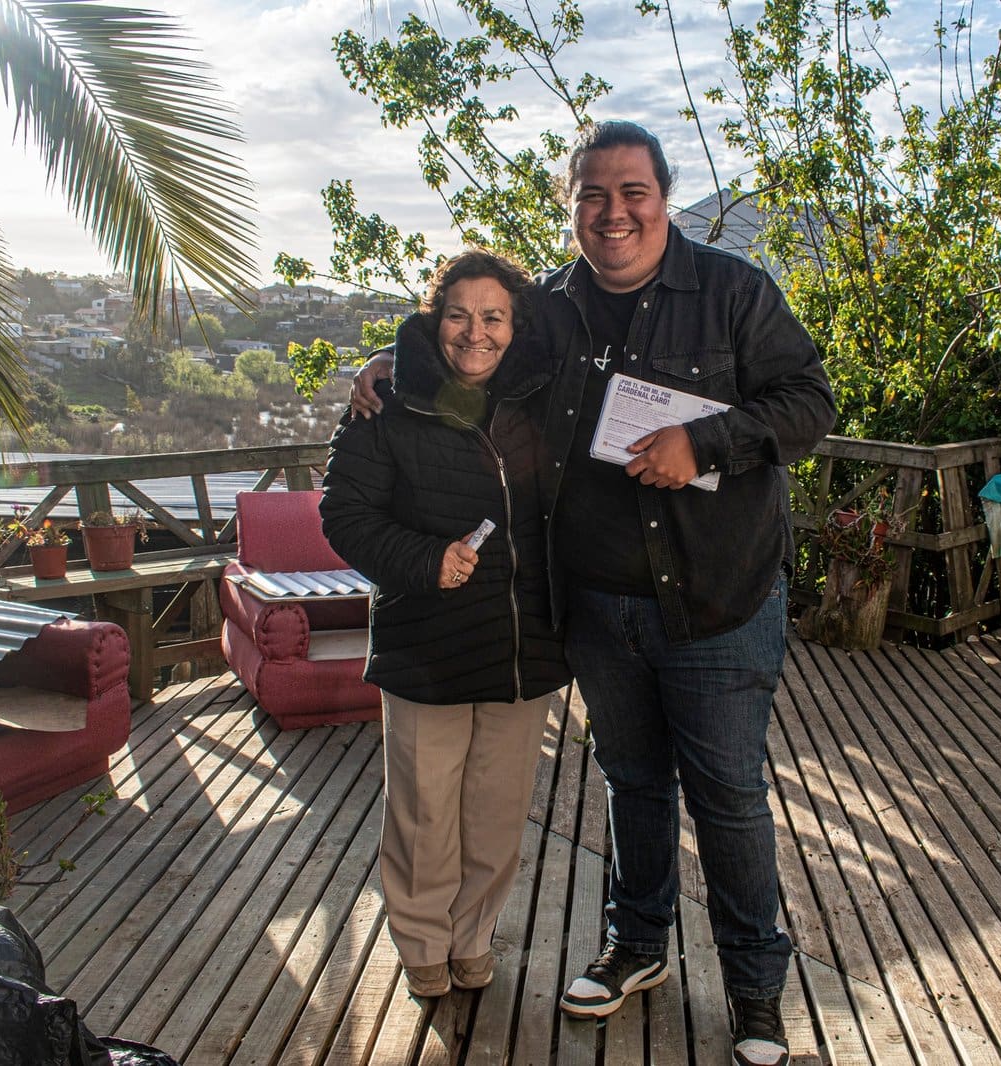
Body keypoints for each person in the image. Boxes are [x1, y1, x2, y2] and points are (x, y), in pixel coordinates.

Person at [352, 121, 835, 1066]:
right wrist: (385, 366)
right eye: (591, 194)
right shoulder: (551, 312)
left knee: (729, 798)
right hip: (599, 609)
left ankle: (755, 990)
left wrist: (710, 442)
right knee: (632, 786)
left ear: (664, 194)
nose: (612, 213)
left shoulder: (735, 292)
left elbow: (810, 404)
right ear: (572, 202)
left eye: (633, 192)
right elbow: (465, 351)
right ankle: (638, 946)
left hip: (717, 602)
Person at [320, 249, 570, 999]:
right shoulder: (386, 403)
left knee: (495, 815)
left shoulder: (542, 395)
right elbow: (344, 513)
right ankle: (423, 940)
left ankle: (472, 936)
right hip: (425, 642)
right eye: (458, 314)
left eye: (493, 316)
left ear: (515, 324)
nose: (476, 332)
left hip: (526, 645)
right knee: (424, 811)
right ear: (436, 320)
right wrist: (425, 560)